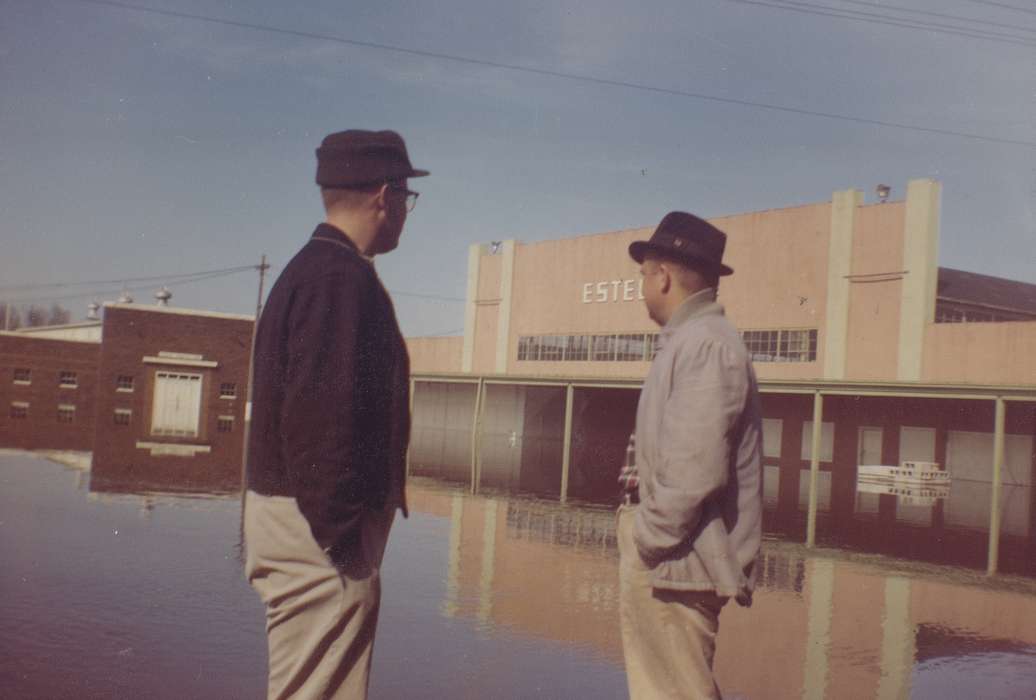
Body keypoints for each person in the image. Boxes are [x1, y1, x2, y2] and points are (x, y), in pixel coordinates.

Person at [243, 129, 428, 699]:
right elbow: (318, 426)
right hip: (317, 534)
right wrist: (344, 544)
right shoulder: (337, 279)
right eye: (405, 197)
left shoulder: (321, 270)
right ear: (383, 195)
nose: (404, 212)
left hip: (303, 524)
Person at [617, 211, 763, 699]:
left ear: (662, 276)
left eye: (643, 276)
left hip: (673, 563)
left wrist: (647, 540)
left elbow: (692, 475)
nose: (641, 287)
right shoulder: (694, 341)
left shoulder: (703, 345)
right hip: (674, 559)